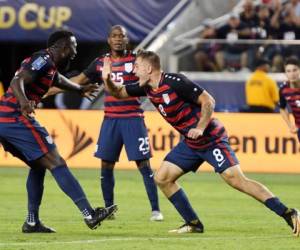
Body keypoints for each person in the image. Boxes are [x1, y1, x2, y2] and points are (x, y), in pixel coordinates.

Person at [102, 50, 300, 235]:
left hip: (211, 137)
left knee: (237, 180)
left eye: (136, 66)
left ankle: (288, 213)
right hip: (190, 143)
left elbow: (208, 101)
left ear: (148, 69)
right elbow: (118, 92)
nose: (133, 70)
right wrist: (107, 79)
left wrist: (201, 127)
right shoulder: (145, 87)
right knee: (162, 178)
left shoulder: (175, 81)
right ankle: (193, 223)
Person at [0, 30, 117, 233]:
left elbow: (58, 80)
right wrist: (24, 103)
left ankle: (32, 221)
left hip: (6, 120)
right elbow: (16, 80)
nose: (75, 51)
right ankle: (89, 213)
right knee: (57, 162)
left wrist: (79, 89)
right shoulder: (42, 59)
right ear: (63, 46)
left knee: (38, 166)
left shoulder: (49, 66)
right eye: (74, 46)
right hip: (15, 118)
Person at [47, 25, 163, 221]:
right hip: (110, 119)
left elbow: (152, 79)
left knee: (143, 164)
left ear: (127, 40)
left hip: (133, 118)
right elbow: (79, 80)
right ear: (109, 40)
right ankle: (109, 209)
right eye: (115, 36)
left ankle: (155, 210)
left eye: (122, 36)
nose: (118, 39)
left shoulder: (137, 61)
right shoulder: (101, 62)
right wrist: (50, 90)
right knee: (106, 165)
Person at [279, 57, 300, 140]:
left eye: (295, 70)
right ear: (285, 73)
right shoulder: (283, 89)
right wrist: (290, 125)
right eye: (288, 71)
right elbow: (282, 108)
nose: (292, 74)